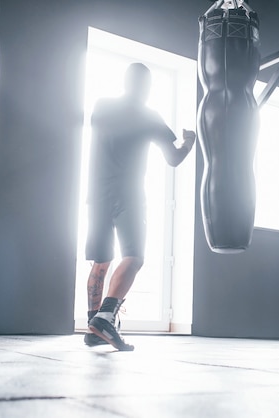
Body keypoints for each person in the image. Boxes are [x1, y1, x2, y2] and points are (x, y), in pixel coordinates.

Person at [84, 63, 196, 351]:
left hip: (97, 192)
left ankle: (93, 327)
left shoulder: (101, 106)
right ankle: (105, 318)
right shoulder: (149, 116)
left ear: (124, 81)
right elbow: (173, 158)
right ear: (146, 87)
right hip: (128, 194)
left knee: (101, 260)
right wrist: (188, 142)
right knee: (134, 257)